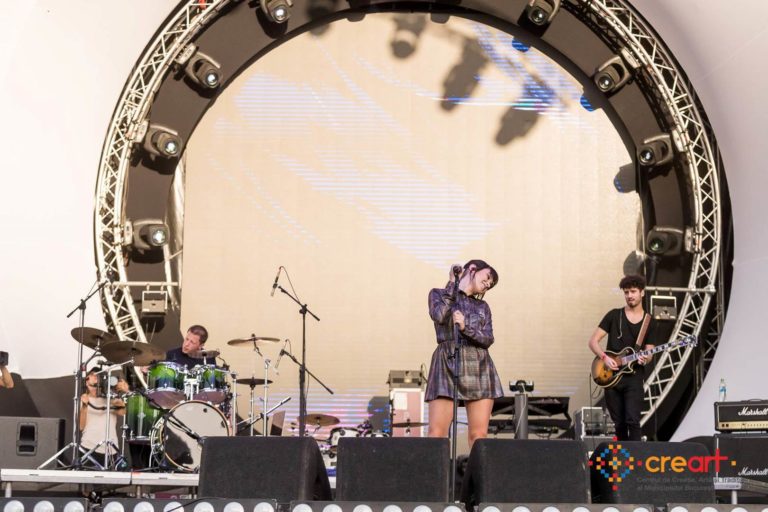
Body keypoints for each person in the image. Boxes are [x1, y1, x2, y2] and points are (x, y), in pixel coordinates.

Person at [425, 259, 502, 449]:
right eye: (487, 277)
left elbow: (488, 339)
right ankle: (438, 470)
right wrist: (453, 283)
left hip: (479, 365)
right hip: (447, 361)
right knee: (437, 434)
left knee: (479, 435)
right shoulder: (438, 294)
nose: (488, 284)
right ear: (473, 269)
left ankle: (477, 470)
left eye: (491, 284)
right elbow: (439, 316)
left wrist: (465, 327)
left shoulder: (482, 307)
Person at [588, 274, 657, 441]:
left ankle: (635, 456)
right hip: (611, 378)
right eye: (626, 292)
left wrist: (645, 359)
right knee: (618, 424)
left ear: (642, 292)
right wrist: (604, 357)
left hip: (634, 378)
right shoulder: (614, 315)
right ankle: (622, 456)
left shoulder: (649, 322)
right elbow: (593, 341)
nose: (629, 296)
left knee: (633, 421)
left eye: (633, 291)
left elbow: (649, 353)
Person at [80, 369, 129, 465]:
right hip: (89, 447)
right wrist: (85, 405)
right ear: (86, 381)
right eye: (92, 375)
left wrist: (123, 392)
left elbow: (122, 412)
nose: (95, 377)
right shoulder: (83, 399)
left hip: (111, 449)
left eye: (98, 375)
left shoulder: (110, 398)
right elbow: (81, 426)